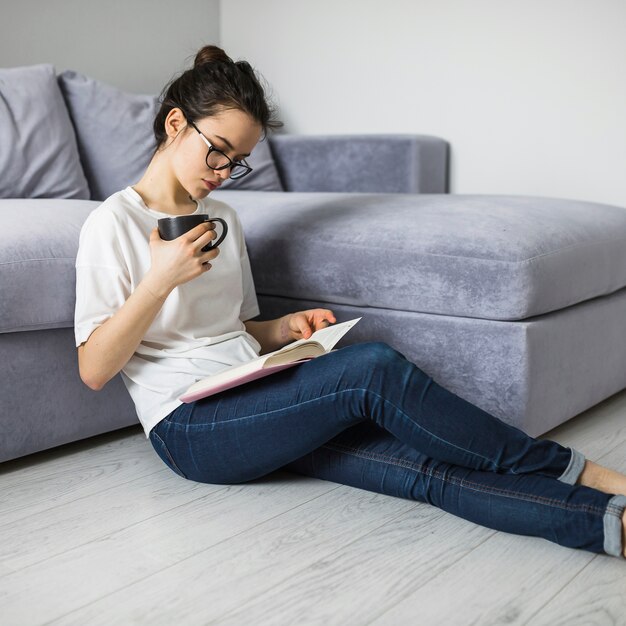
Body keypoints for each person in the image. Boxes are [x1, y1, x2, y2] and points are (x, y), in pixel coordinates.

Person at [74, 44, 626, 559]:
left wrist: (287, 329)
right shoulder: (112, 224)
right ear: (176, 124)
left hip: (256, 397)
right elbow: (95, 369)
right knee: (372, 368)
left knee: (422, 470)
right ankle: (579, 472)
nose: (222, 173)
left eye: (236, 162)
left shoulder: (225, 220)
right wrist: (159, 280)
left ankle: (607, 524)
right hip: (189, 429)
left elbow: (237, 329)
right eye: (217, 153)